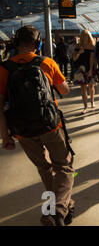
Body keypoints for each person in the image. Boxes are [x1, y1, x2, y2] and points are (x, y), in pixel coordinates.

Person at [0, 25, 74, 226]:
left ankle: (57, 207)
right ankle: (58, 209)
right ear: (38, 43)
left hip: (22, 131)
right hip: (50, 125)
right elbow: (65, 90)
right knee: (64, 167)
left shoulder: (4, 68)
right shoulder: (47, 63)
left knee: (44, 168)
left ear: (15, 43)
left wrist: (5, 136)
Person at [72, 30, 99, 114]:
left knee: (91, 87)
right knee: (83, 88)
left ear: (89, 36)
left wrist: (90, 70)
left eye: (86, 35)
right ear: (81, 37)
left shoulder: (92, 46)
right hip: (80, 69)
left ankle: (92, 101)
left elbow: (92, 59)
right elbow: (74, 59)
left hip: (89, 68)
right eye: (83, 35)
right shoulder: (78, 46)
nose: (85, 37)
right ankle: (85, 107)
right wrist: (79, 53)